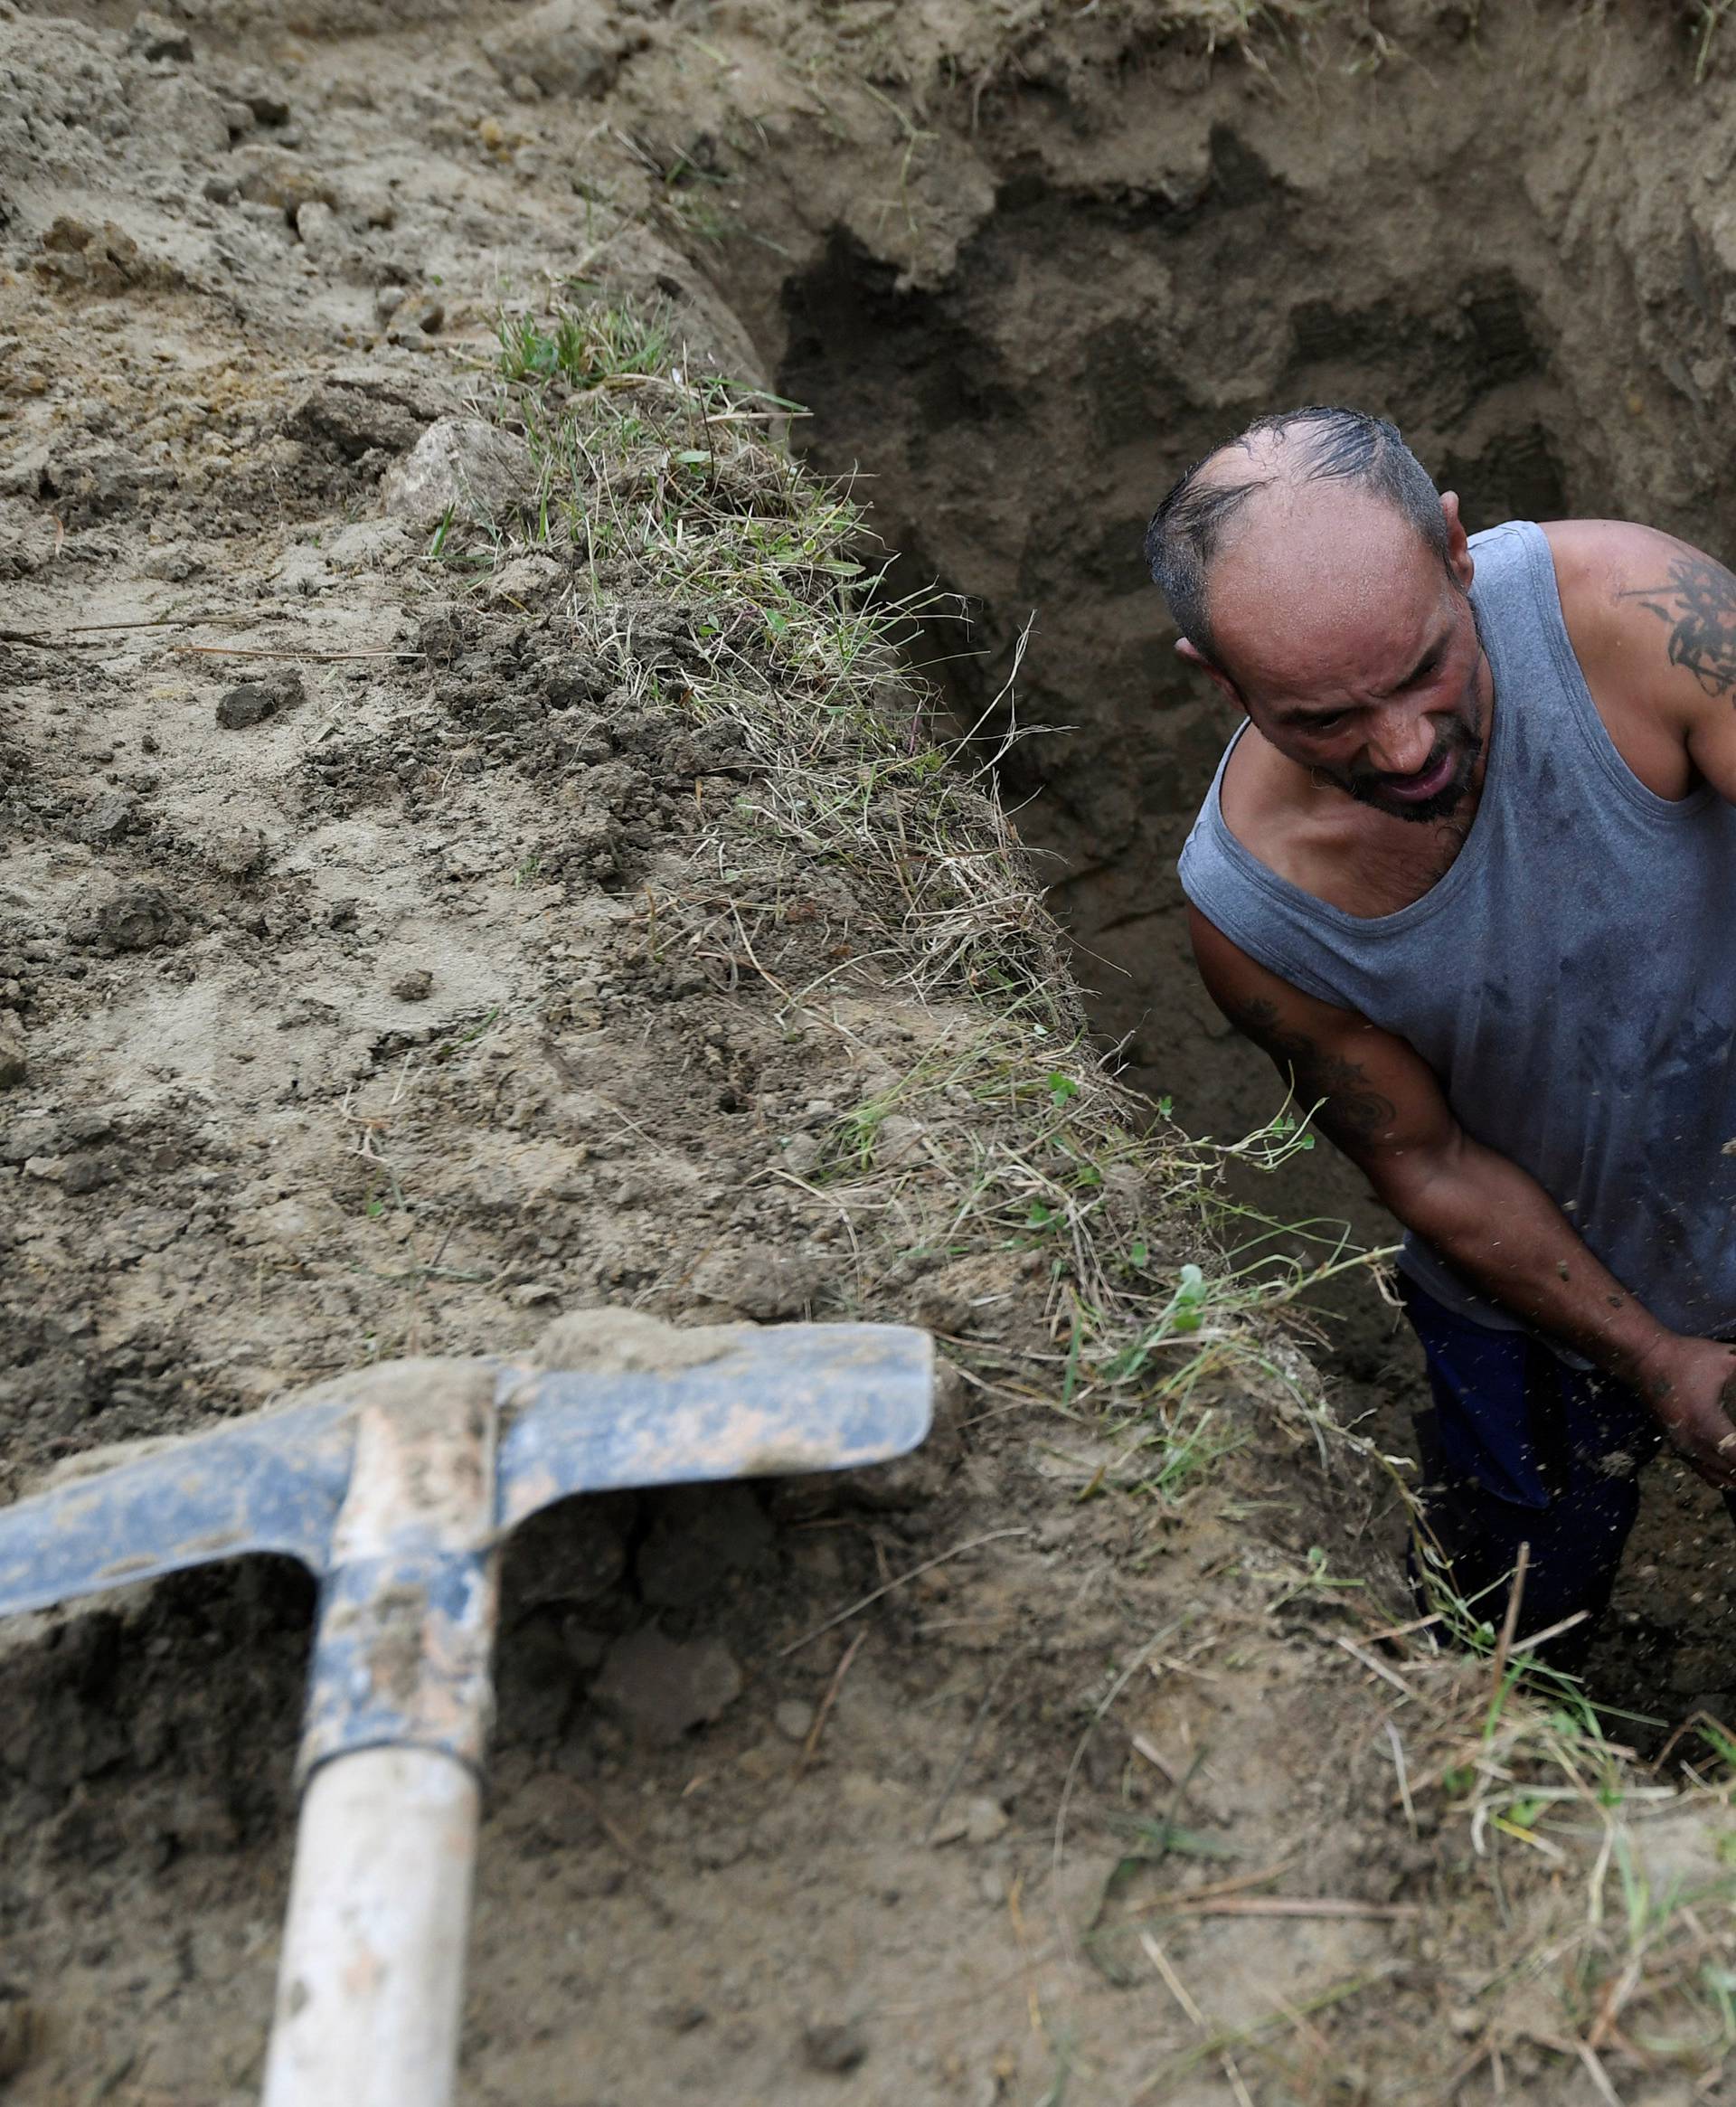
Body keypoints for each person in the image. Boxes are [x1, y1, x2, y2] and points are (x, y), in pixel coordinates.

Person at [1149, 405, 1736, 1667]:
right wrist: (1656, 1352)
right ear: (1217, 676)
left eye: (1425, 669)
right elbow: (1430, 1164)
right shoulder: (1255, 913)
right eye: (1325, 719)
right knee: (1515, 1606)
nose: (1405, 748)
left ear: (1456, 549)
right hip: (1544, 1291)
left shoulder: (1642, 616)